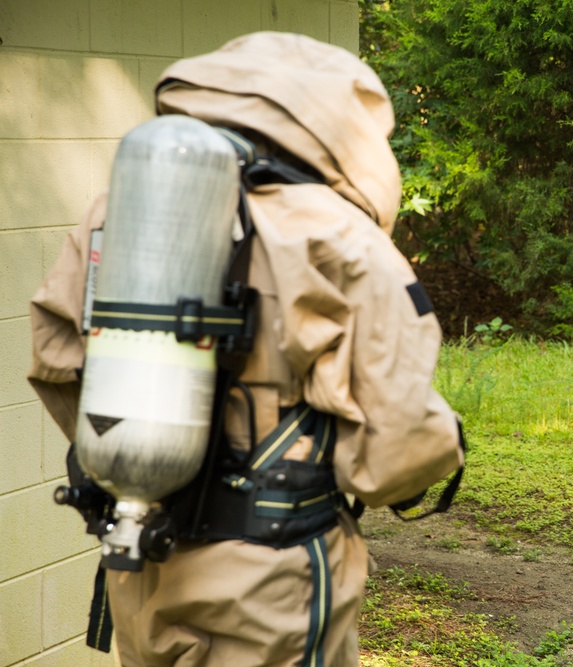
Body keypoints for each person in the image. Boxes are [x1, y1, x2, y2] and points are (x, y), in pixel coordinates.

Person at [28, 32, 462, 665]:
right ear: (338, 125)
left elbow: (58, 358)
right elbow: (394, 448)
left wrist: (150, 459)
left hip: (144, 552)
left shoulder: (114, 210)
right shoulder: (337, 235)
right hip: (273, 575)